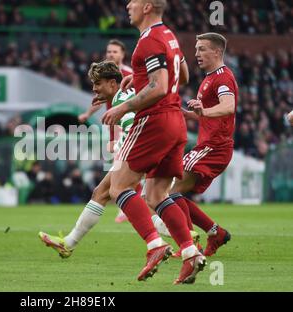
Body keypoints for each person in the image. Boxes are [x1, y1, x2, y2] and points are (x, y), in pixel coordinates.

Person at [101, 0, 205, 284]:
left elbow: (158, 86)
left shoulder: (148, 41)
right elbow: (181, 76)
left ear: (147, 6)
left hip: (154, 121)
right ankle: (191, 253)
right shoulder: (169, 36)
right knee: (157, 195)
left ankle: (155, 245)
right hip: (175, 124)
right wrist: (137, 79)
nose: (127, 5)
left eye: (133, 2)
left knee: (118, 186)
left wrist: (123, 107)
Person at [39, 61, 137, 257]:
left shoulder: (122, 102)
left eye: (98, 83)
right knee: (102, 193)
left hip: (145, 149)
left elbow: (134, 126)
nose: (94, 88)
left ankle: (161, 244)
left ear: (112, 83)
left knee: (141, 197)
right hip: (152, 145)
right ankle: (69, 242)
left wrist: (118, 147)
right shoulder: (122, 98)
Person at [162, 33, 237, 257]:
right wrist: (189, 114)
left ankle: (191, 244)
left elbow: (228, 106)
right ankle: (215, 233)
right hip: (210, 146)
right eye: (195, 49)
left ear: (217, 51)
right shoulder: (208, 78)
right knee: (175, 193)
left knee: (170, 191)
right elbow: (211, 115)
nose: (196, 54)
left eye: (202, 49)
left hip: (214, 147)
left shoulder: (222, 78)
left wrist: (203, 110)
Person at [78, 39, 135, 223]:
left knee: (122, 169)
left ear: (122, 54)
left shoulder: (129, 75)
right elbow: (100, 99)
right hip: (115, 122)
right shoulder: (104, 77)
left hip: (130, 122)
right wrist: (87, 114)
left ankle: (128, 204)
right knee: (119, 167)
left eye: (115, 52)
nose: (111, 54)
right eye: (109, 51)